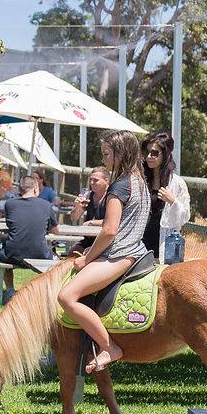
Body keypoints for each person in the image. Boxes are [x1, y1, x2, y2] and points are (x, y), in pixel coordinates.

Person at [57, 130, 150, 374]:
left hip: (119, 254)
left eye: (107, 154)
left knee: (66, 297)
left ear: (120, 154)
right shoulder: (141, 183)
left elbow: (109, 230)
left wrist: (87, 258)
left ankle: (108, 346)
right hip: (137, 251)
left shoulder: (119, 186)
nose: (105, 159)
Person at [0, 176, 58, 303]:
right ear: (36, 188)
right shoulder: (46, 205)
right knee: (57, 261)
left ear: (20, 189)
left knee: (1, 254)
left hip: (13, 254)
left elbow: (12, 225)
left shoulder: (10, 204)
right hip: (39, 254)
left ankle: (9, 290)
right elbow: (55, 231)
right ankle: (46, 292)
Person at [141, 131, 191, 263]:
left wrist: (173, 201)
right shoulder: (141, 179)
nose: (149, 157)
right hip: (140, 245)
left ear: (165, 154)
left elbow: (184, 217)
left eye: (155, 153)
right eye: (147, 153)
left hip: (164, 244)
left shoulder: (177, 183)